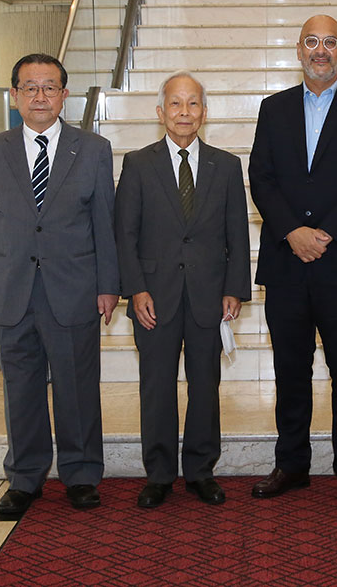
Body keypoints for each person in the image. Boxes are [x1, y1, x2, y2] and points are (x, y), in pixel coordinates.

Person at [0, 53, 120, 517]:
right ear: (14, 97)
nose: (39, 96)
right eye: (29, 87)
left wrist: (109, 285)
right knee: (21, 389)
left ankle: (82, 473)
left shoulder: (92, 149)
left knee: (77, 387)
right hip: (10, 289)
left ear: (65, 96)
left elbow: (104, 224)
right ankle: (25, 478)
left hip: (73, 288)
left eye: (49, 86)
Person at [248, 15, 337, 507]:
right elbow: (261, 177)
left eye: (330, 42)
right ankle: (292, 464)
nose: (321, 50)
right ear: (298, 49)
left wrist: (325, 232)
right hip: (287, 263)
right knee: (290, 371)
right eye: (312, 41)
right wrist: (293, 231)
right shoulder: (274, 108)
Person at [115, 72, 251, 508]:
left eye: (193, 104)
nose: (184, 113)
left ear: (204, 113)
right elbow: (125, 233)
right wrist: (135, 289)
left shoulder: (226, 166)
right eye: (176, 104)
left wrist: (235, 288)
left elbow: (237, 233)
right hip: (154, 297)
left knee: (205, 386)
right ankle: (158, 474)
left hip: (209, 295)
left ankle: (199, 471)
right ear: (160, 112)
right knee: (155, 386)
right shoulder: (137, 164)